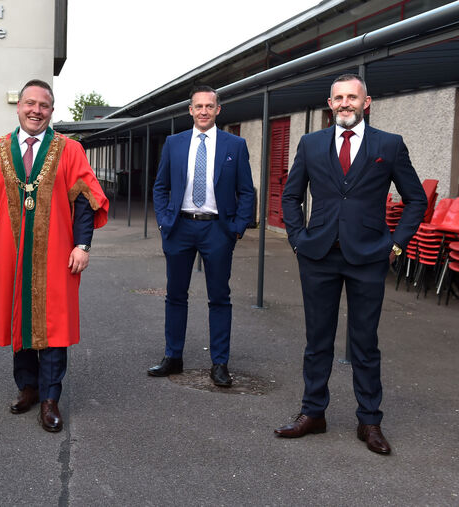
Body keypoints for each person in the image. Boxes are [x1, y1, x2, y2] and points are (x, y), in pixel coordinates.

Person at [276, 74, 427, 454]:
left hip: (369, 257)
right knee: (317, 340)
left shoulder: (389, 145)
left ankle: (369, 421)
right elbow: (291, 196)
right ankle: (313, 413)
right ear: (330, 104)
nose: (345, 103)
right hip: (318, 256)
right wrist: (297, 239)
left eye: (352, 97)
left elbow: (416, 200)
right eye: (339, 98)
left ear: (366, 102)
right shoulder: (310, 144)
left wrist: (395, 246)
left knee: (365, 343)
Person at [0, 79, 108, 432]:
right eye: (30, 103)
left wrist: (82, 245)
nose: (36, 110)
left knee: (54, 322)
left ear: (51, 110)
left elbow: (84, 200)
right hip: (9, 254)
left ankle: (50, 398)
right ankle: (27, 387)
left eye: (43, 105)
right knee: (19, 317)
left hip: (57, 253)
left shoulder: (70, 150)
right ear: (19, 107)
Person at [149, 85, 255, 387]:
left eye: (210, 106)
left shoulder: (235, 145)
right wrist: (164, 222)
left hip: (217, 230)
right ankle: (173, 357)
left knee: (219, 297)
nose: (204, 111)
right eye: (199, 106)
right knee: (175, 295)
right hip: (180, 228)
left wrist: (237, 228)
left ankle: (220, 363)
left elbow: (246, 191)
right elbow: (160, 186)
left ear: (218, 109)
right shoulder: (174, 143)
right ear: (190, 110)